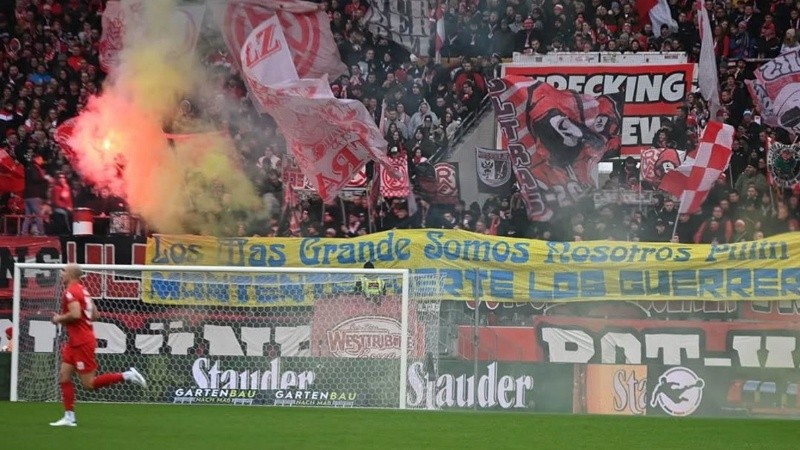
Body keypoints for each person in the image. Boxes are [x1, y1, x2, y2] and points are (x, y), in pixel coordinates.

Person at [49, 264, 147, 427]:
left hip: (82, 342)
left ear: (72, 275)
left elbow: (75, 314)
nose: (61, 273)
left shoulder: (71, 292)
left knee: (89, 384)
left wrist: (58, 319)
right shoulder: (84, 290)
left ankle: (126, 375)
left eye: (64, 271)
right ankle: (69, 417)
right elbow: (95, 315)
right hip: (75, 341)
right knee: (64, 376)